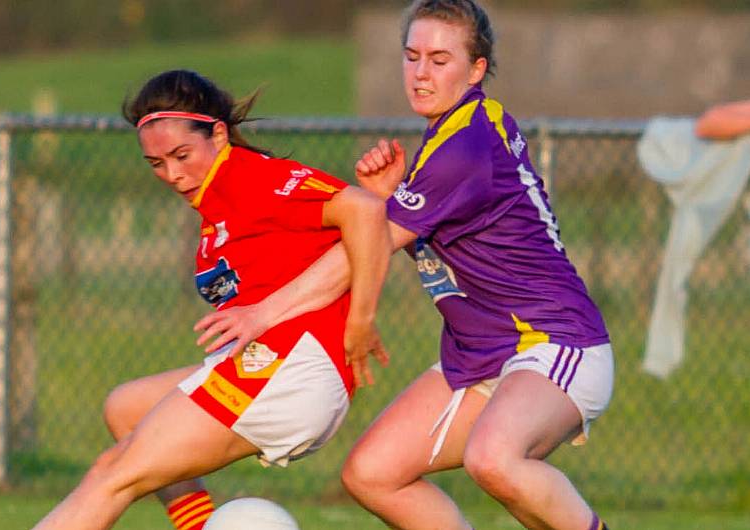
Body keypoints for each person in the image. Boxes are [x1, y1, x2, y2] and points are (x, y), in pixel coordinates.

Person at [194, 1, 614, 529]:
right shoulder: (450, 134)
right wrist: (391, 195)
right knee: (373, 473)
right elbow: (427, 227)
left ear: (476, 69)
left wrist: (263, 313)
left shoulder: (467, 144)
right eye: (412, 56)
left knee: (494, 459)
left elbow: (366, 248)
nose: (420, 72)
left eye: (440, 59)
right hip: (481, 356)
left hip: (556, 341)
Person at [32, 69, 391, 530]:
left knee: (112, 475)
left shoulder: (248, 177)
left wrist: (361, 318)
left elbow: (365, 210)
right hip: (275, 365)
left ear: (218, 134)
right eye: (157, 163)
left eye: (182, 154)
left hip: (290, 368)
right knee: (126, 407)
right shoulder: (216, 204)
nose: (173, 174)